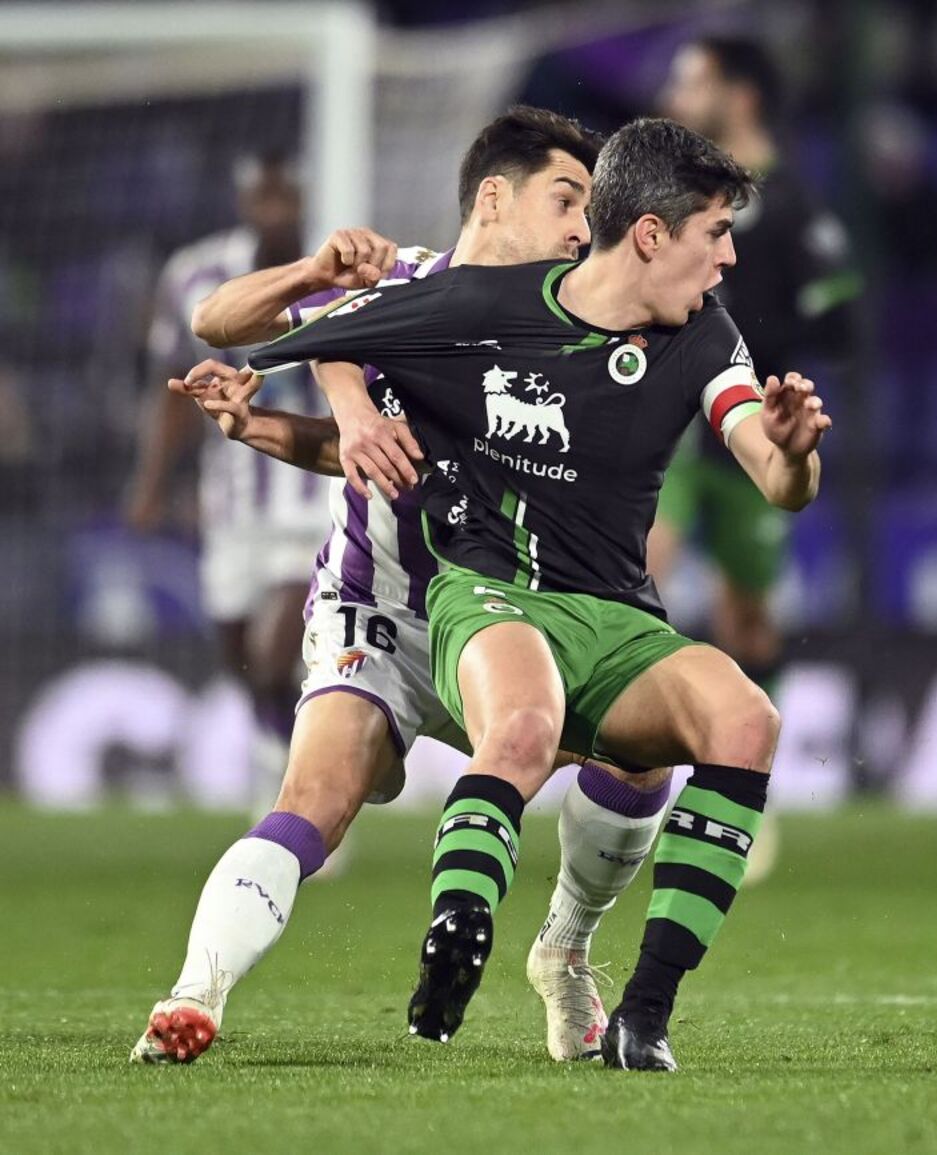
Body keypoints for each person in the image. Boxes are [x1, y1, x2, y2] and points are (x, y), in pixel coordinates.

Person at [245, 117, 831, 1071]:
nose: (726, 259)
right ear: (650, 234)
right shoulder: (486, 304)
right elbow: (317, 333)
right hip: (491, 593)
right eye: (714, 233)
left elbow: (773, 474)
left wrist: (796, 451)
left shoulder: (705, 336)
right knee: (519, 728)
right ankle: (457, 935)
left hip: (620, 613)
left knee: (746, 720)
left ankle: (643, 1014)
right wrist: (269, 398)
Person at [131, 109, 673, 1068]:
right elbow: (215, 321)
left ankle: (566, 950)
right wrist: (316, 285)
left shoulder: (570, 328)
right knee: (316, 799)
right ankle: (192, 994)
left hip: (511, 623)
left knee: (645, 755)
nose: (580, 229)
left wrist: (293, 430)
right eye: (567, 200)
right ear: (494, 197)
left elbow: (388, 452)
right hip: (377, 613)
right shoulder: (404, 286)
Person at [656, 36, 862, 881]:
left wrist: (784, 386)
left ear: (739, 96)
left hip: (749, 435)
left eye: (691, 76)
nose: (674, 90)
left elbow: (839, 321)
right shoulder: (670, 193)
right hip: (667, 424)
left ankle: (741, 791)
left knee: (748, 621)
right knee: (632, 571)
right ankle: (620, 777)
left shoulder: (799, 207)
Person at [125, 151, 330, 806]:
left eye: (285, 197)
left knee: (276, 654)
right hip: (233, 503)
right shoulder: (196, 275)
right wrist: (151, 481)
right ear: (243, 200)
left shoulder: (345, 272)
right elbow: (171, 389)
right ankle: (294, 767)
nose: (274, 210)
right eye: (262, 198)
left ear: (305, 197)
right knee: (249, 665)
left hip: (315, 495)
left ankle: (296, 798)